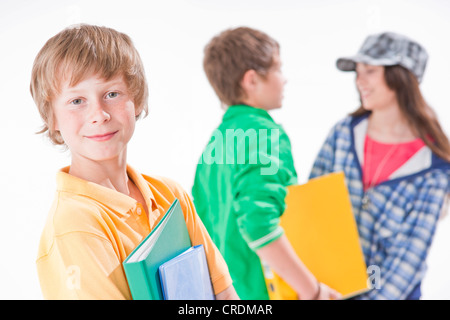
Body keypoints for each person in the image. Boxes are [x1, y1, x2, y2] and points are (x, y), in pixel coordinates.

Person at [31, 24, 238, 300]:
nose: (99, 114)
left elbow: (224, 295)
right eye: (77, 100)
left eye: (112, 94)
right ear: (52, 117)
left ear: (136, 99)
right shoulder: (75, 224)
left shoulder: (171, 196)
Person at [192, 26, 340, 300]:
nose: (284, 80)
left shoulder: (214, 145)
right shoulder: (265, 135)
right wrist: (314, 291)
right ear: (251, 80)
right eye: (278, 70)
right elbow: (259, 224)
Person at [310, 32, 450, 300]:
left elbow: (407, 261)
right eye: (357, 72)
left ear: (400, 78)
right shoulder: (343, 133)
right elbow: (312, 212)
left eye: (370, 71)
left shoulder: (434, 169)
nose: (359, 81)